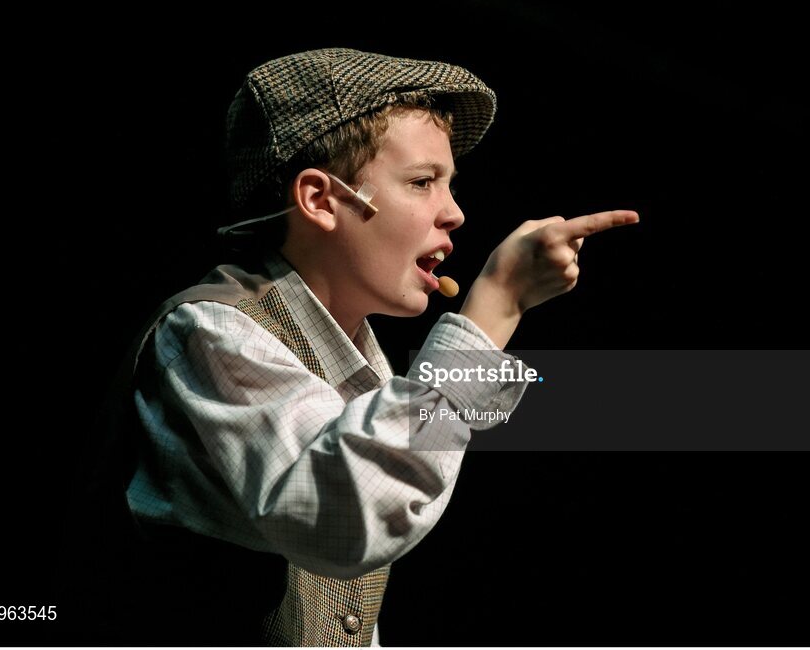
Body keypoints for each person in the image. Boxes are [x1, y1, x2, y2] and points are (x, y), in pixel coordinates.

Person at [59, 47, 639, 646]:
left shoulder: (361, 366)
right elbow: (350, 514)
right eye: (422, 182)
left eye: (450, 185)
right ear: (318, 199)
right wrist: (495, 309)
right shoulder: (210, 332)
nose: (456, 213)